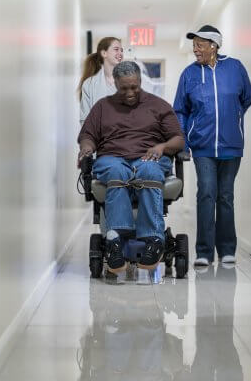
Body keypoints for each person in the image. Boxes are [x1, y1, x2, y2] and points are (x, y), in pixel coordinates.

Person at [77, 61, 184, 273]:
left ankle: (153, 239)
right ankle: (116, 238)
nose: (130, 92)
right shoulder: (102, 107)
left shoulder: (158, 105)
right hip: (113, 157)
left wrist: (162, 146)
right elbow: (88, 136)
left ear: (140, 82)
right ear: (115, 83)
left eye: (134, 87)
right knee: (117, 171)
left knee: (149, 171)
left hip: (148, 156)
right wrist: (86, 149)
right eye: (124, 87)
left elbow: (178, 139)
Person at [173, 25, 251, 267]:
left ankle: (227, 249)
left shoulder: (235, 68)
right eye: (194, 44)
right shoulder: (189, 74)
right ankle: (204, 252)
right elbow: (180, 110)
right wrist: (184, 142)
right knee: (207, 193)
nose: (195, 49)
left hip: (231, 145)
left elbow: (247, 97)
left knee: (226, 196)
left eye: (200, 44)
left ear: (214, 45)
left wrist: (234, 117)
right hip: (203, 145)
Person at [78, 37, 123, 125]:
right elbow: (84, 119)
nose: (120, 53)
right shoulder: (89, 84)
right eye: (116, 49)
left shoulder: (129, 81)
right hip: (98, 137)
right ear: (104, 53)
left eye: (121, 50)